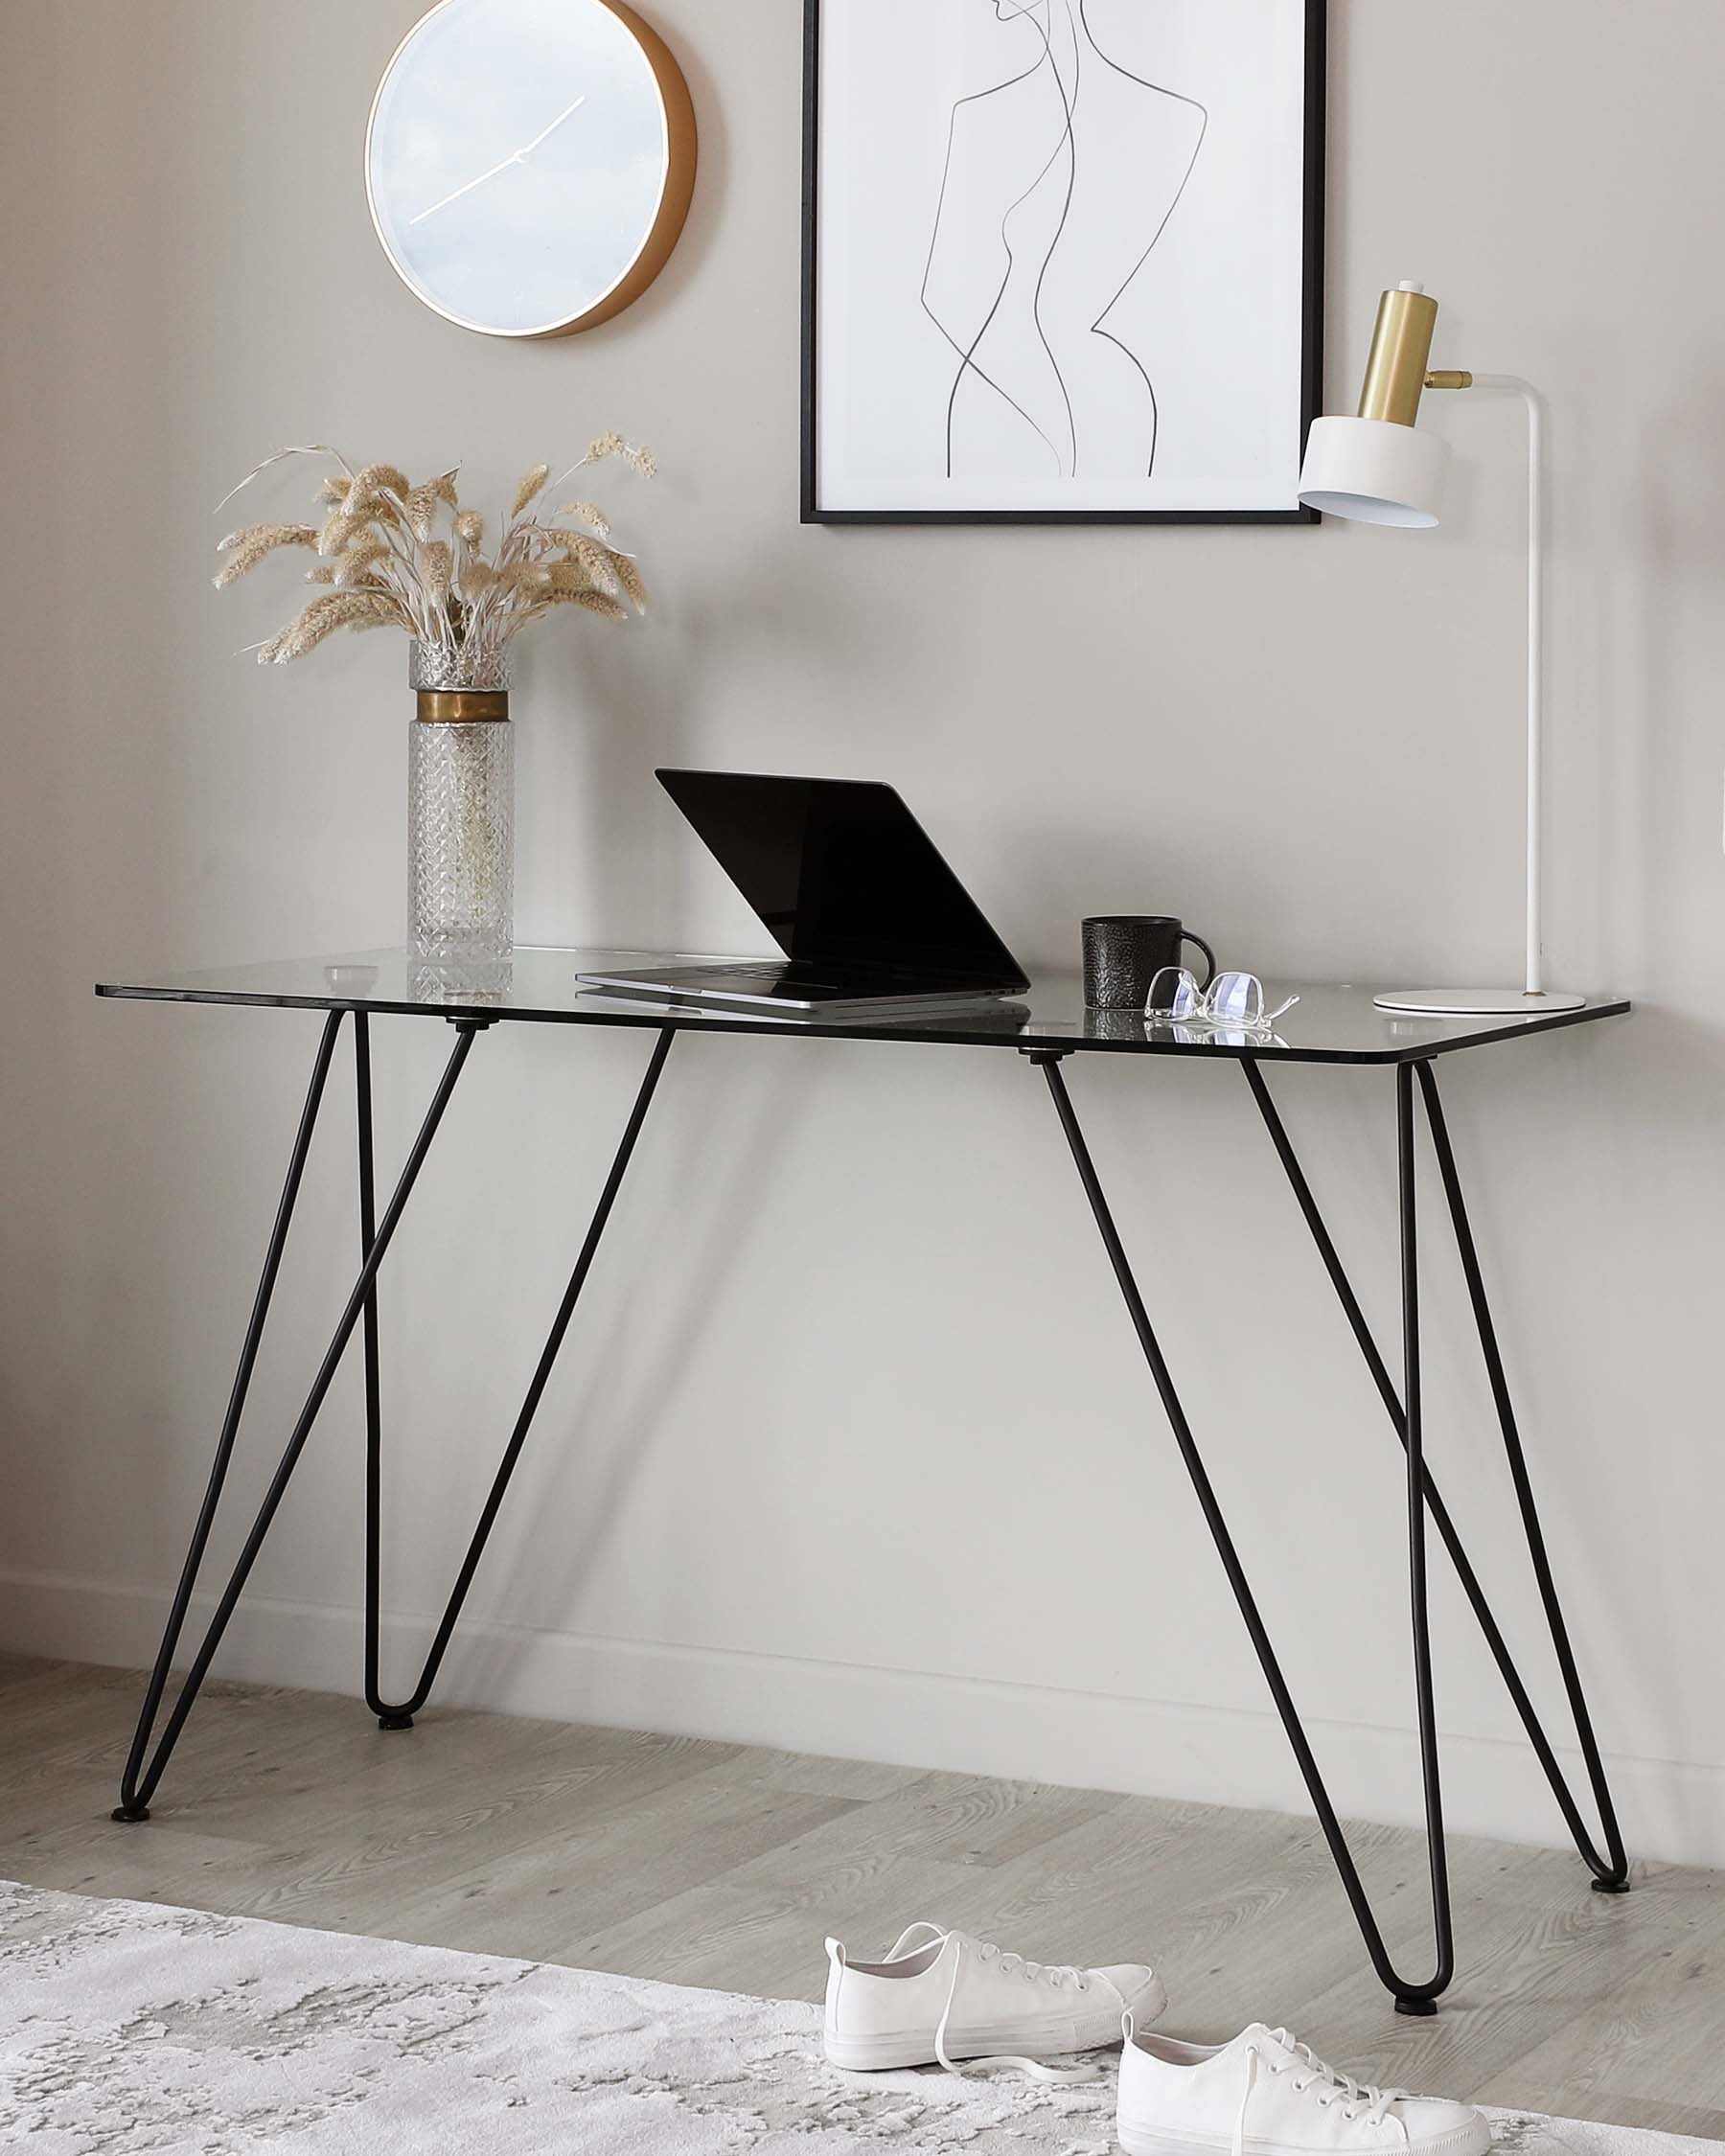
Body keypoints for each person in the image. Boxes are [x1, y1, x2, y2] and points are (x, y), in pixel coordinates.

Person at [922, 0, 1207, 482]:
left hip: (1099, 402)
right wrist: (1043, 419)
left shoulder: (1170, 115)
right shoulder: (976, 116)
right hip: (1000, 396)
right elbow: (939, 297)